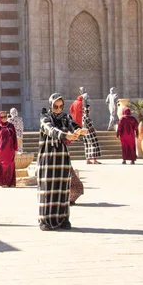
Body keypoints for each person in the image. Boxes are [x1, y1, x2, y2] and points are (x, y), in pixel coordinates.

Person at [37, 93, 87, 231]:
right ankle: (45, 220)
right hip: (49, 157)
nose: (58, 109)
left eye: (60, 106)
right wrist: (66, 135)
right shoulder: (45, 117)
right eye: (55, 106)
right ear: (51, 105)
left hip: (62, 158)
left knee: (63, 188)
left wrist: (79, 131)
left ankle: (63, 218)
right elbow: (51, 130)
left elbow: (73, 125)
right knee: (48, 189)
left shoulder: (65, 118)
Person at [0, 111, 18, 187]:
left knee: (10, 165)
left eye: (5, 116)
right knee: (1, 166)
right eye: (2, 117)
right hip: (0, 150)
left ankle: (10, 182)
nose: (4, 118)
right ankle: (3, 182)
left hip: (10, 150)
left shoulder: (11, 126)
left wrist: (15, 149)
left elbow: (14, 138)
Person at [82, 99, 102, 164]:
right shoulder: (86, 117)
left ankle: (87, 159)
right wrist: (93, 128)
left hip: (85, 133)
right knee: (93, 145)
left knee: (87, 146)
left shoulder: (83, 117)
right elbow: (90, 125)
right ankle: (94, 159)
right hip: (90, 133)